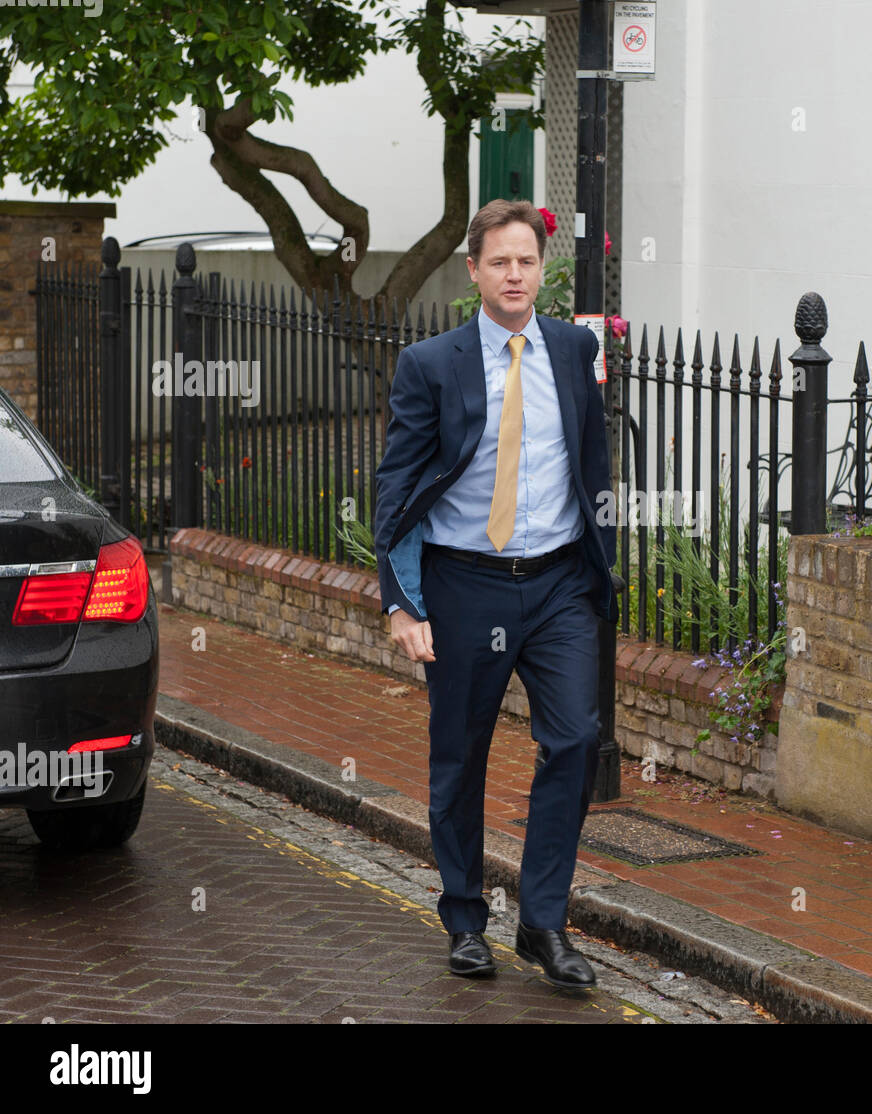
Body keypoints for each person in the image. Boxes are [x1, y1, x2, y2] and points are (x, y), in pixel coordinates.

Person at [373, 199, 617, 990]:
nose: (515, 274)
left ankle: (543, 923)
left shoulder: (575, 349)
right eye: (500, 261)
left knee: (577, 739)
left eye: (528, 261)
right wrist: (401, 602)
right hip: (465, 584)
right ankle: (465, 917)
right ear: (473, 270)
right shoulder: (432, 364)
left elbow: (593, 465)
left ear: (542, 271)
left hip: (557, 586)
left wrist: (601, 563)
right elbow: (398, 488)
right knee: (461, 755)